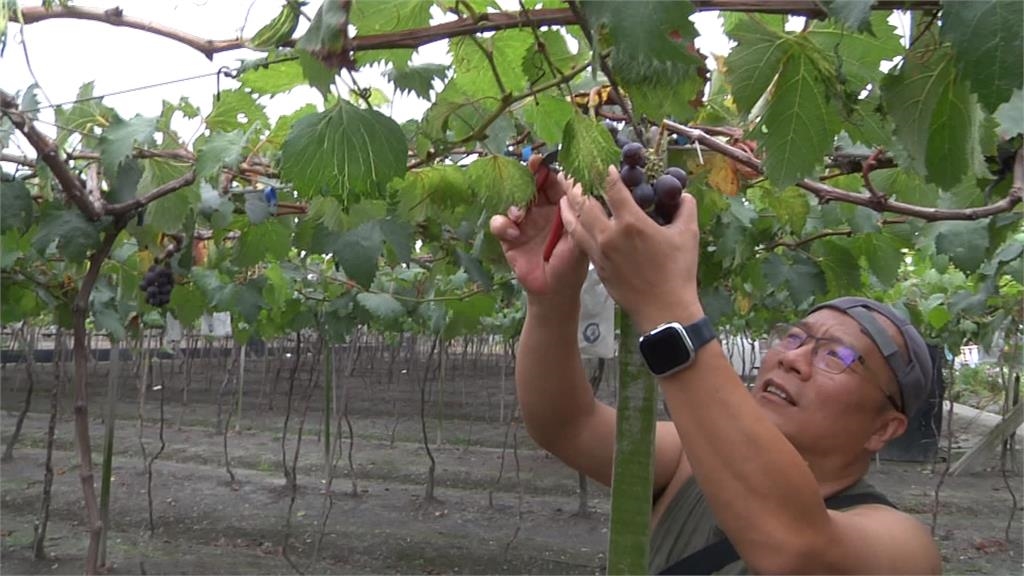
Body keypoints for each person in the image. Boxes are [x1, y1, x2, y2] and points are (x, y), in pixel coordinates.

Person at [489, 157, 943, 575]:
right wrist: (550, 298)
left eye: (836, 356)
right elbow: (567, 425)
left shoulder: (904, 547)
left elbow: (797, 549)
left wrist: (668, 309)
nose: (793, 359)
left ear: (885, 427)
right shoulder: (691, 460)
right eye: (796, 337)